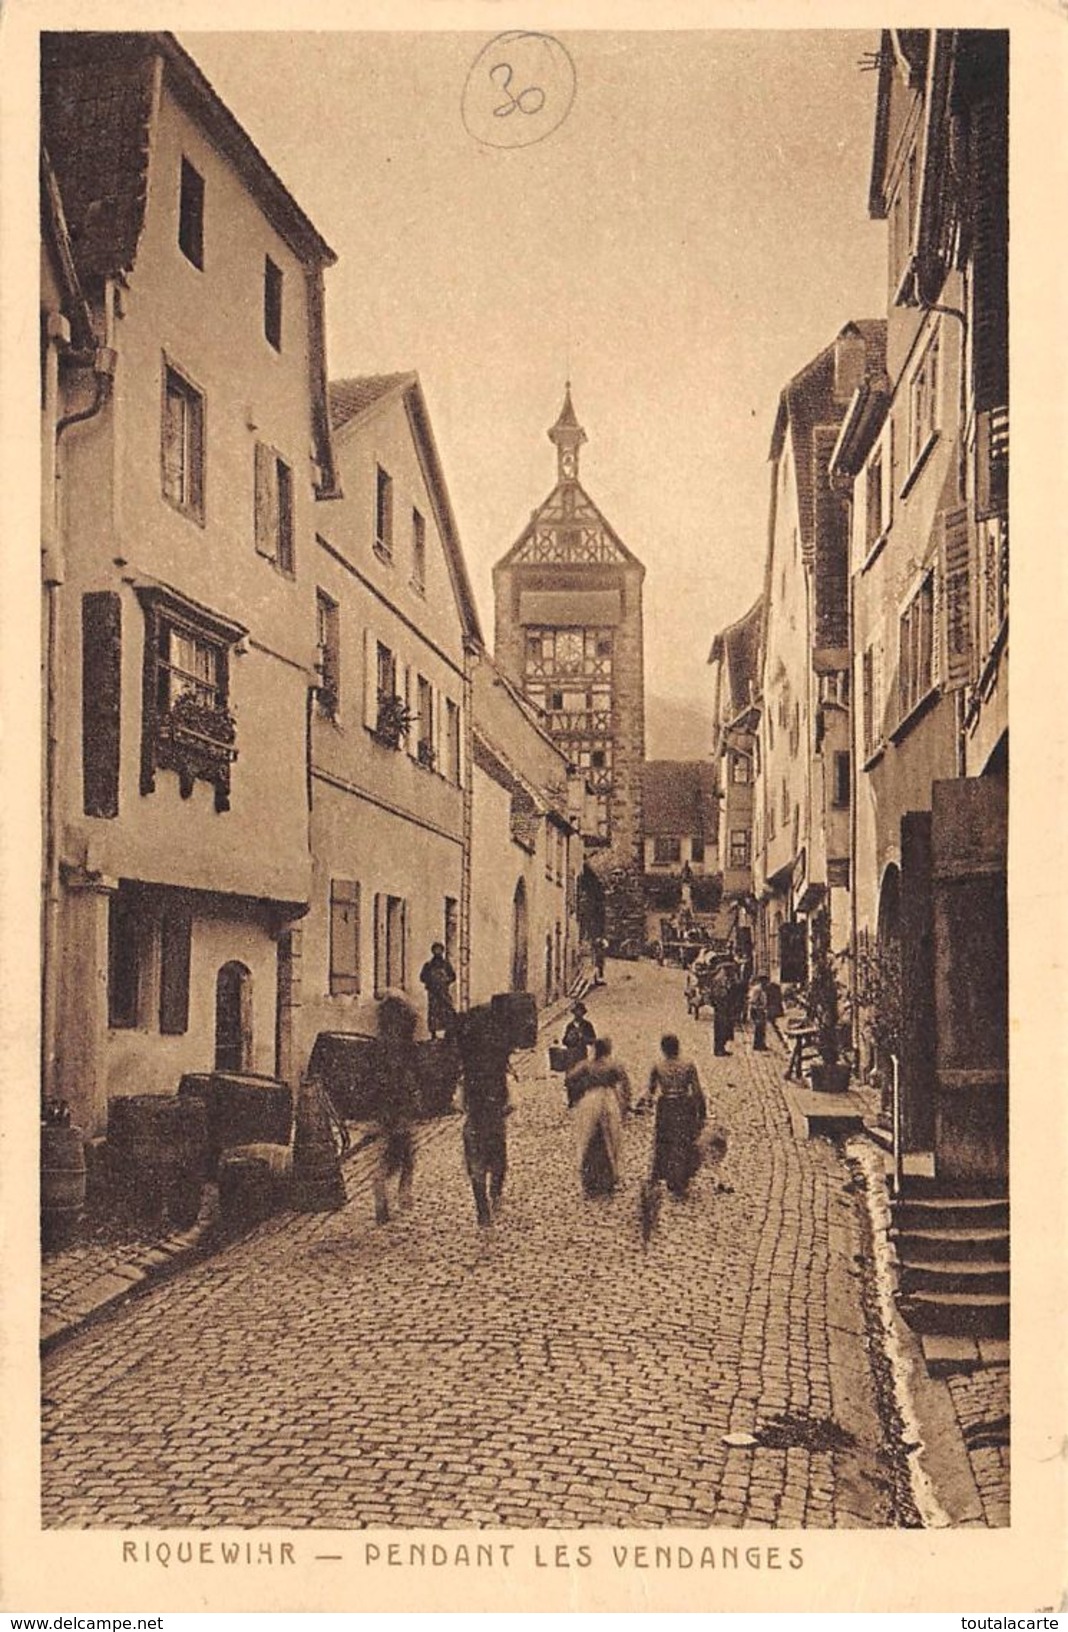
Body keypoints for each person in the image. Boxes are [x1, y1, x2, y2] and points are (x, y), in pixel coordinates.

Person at [456, 1006, 512, 1227]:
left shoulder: (469, 1072)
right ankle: (495, 1195)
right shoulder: (497, 1069)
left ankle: (482, 1209)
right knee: (498, 1162)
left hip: (475, 1122)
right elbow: (509, 1102)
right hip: (494, 1122)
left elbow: (460, 1104)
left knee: (476, 1166)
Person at [367, 993, 420, 1225]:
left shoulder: (380, 1045)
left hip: (385, 1108)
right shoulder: (404, 1047)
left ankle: (390, 1186)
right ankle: (401, 1190)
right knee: (405, 1153)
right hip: (399, 1107)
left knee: (395, 1150)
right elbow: (408, 1078)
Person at [566, 1037, 630, 1197]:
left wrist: (583, 1087)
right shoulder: (614, 1065)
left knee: (590, 1136)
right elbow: (625, 1083)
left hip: (591, 1099)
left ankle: (591, 1177)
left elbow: (570, 1078)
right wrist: (625, 1103)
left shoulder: (587, 1065)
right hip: (608, 1099)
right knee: (611, 1136)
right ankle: (609, 1175)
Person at [645, 1034, 707, 1199]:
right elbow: (697, 1090)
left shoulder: (658, 1066)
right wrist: (702, 1111)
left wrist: (645, 1104)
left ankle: (667, 1174)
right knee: (683, 1140)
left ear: (663, 1049)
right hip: (683, 1104)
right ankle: (681, 1177)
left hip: (666, 1105)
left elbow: (650, 1092)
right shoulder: (687, 1065)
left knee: (665, 1142)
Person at [419, 942, 456, 1041]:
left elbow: (453, 976)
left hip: (443, 992)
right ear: (433, 951)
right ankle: (433, 1034)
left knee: (446, 1011)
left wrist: (445, 981)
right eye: (436, 949)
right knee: (433, 1013)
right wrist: (430, 981)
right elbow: (422, 977)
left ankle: (448, 1033)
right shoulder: (428, 965)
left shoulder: (446, 965)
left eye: (439, 949)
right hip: (433, 993)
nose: (437, 951)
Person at [562, 1001, 596, 1068]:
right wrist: (570, 1038)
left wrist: (583, 1038)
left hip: (582, 1056)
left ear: (583, 1013)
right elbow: (564, 1041)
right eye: (576, 1011)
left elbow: (593, 1039)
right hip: (571, 1056)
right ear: (574, 1013)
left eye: (580, 1011)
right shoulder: (570, 1026)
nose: (578, 1013)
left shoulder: (587, 1025)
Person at [710, 963, 734, 1056]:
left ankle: (721, 1048)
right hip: (721, 1008)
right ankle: (718, 1049)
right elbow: (719, 994)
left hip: (725, 1007)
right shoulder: (719, 980)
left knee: (724, 1029)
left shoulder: (725, 979)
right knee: (720, 1028)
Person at [749, 977, 769, 1051]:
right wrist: (758, 1008)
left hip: (761, 1010)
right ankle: (758, 1045)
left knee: (762, 1028)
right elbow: (753, 1001)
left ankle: (761, 1043)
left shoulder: (762, 989)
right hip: (757, 1010)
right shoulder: (757, 989)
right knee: (759, 1028)